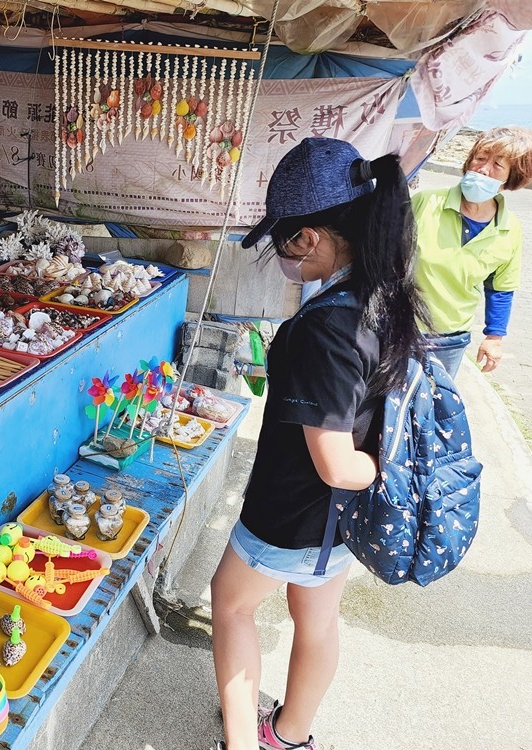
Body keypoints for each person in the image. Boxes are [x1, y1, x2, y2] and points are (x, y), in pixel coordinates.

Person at [209, 138, 429, 750]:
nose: (278, 251)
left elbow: (336, 462)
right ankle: (289, 735)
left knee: (228, 606)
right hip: (339, 525)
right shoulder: (387, 297)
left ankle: (240, 743)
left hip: (296, 512)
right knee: (317, 619)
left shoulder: (326, 326)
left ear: (307, 238)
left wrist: (384, 466)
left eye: (281, 238)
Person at [413, 126, 532, 377]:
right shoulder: (425, 202)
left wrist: (494, 337)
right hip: (395, 327)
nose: (483, 169)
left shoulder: (510, 229)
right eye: (480, 158)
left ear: (510, 179)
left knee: (432, 412)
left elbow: (501, 288)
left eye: (497, 165)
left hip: (449, 340)